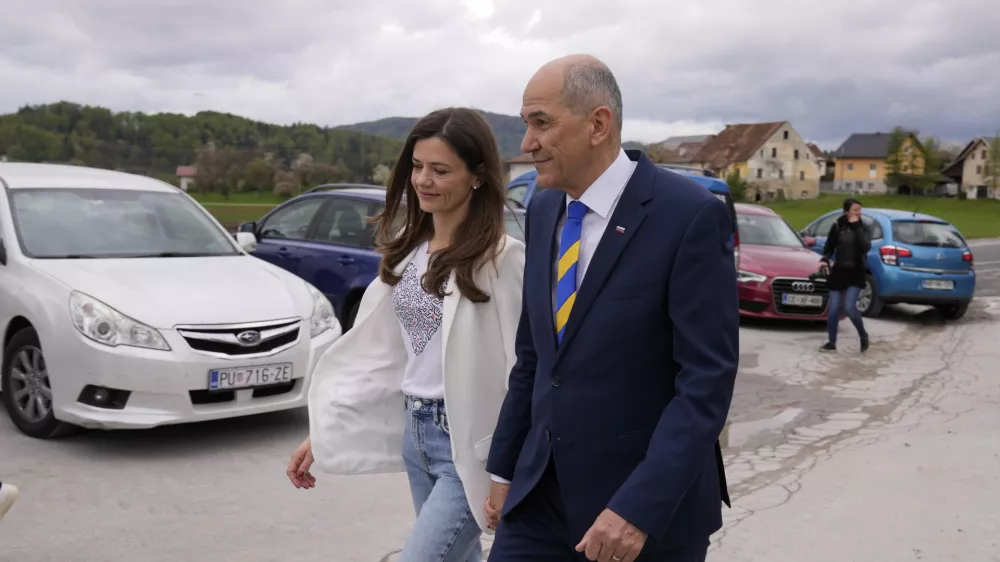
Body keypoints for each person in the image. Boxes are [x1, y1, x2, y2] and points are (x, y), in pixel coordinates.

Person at [484, 55, 739, 562]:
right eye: (526, 124)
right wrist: (504, 468)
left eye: (541, 123)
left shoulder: (688, 216)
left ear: (598, 124)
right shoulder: (541, 209)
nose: (527, 144)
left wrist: (641, 508)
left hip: (641, 513)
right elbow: (534, 356)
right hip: (539, 498)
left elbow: (706, 380)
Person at [286, 107, 525, 562]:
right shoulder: (407, 257)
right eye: (417, 167)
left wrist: (508, 469)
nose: (423, 180)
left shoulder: (503, 259)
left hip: (469, 447)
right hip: (416, 437)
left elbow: (522, 368)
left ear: (477, 176)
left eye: (440, 170)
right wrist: (323, 433)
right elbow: (381, 361)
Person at [818, 198, 871, 353]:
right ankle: (831, 342)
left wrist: (856, 226)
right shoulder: (837, 226)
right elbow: (829, 247)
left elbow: (865, 247)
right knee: (833, 309)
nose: (858, 213)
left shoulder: (863, 228)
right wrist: (824, 260)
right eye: (854, 210)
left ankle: (863, 335)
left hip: (856, 272)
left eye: (859, 210)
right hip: (839, 272)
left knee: (849, 307)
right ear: (846, 212)